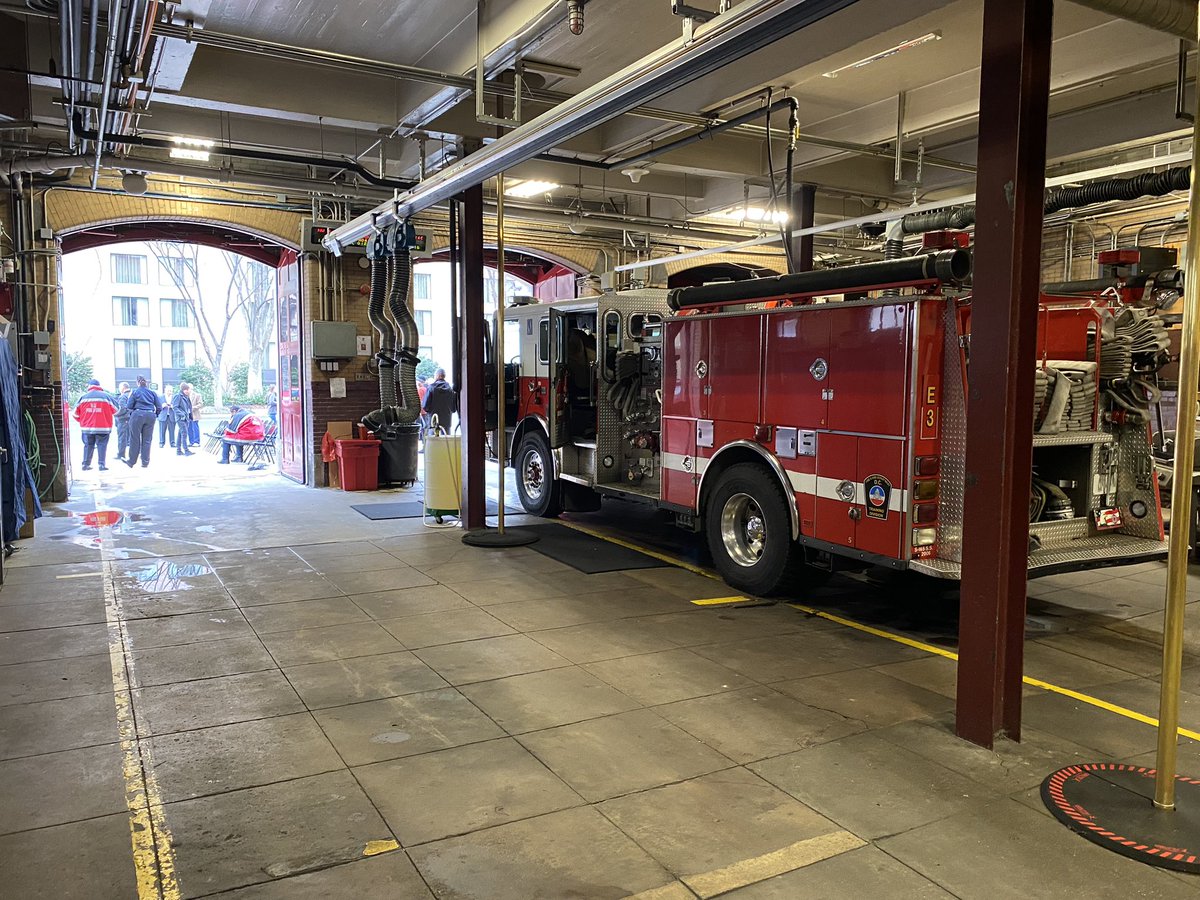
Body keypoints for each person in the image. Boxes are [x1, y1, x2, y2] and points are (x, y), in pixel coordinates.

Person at [73, 379, 118, 471]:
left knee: (88, 445)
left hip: (87, 428)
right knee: (102, 445)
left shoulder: (83, 397)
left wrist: (82, 421)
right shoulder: (107, 397)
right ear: (99, 386)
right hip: (103, 427)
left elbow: (74, 414)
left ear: (89, 386)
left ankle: (85, 464)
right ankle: (101, 465)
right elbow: (117, 410)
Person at [124, 375, 161, 468]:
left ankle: (131, 461)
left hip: (137, 414)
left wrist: (131, 414)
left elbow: (129, 406)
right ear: (146, 383)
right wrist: (155, 414)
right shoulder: (152, 393)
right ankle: (145, 462)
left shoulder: (135, 392)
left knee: (135, 439)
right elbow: (159, 407)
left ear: (137, 382)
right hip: (150, 415)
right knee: (147, 440)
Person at [422, 368, 456, 433]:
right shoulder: (450, 389)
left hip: (433, 420)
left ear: (438, 376)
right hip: (447, 422)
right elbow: (454, 408)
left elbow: (425, 406)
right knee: (446, 441)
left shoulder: (431, 388)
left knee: (433, 441)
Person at [171, 383, 194, 456]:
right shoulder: (178, 396)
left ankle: (178, 450)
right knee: (184, 433)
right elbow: (175, 407)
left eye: (188, 389)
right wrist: (182, 414)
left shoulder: (186, 396)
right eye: (186, 390)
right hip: (180, 418)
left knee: (180, 434)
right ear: (183, 390)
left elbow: (188, 407)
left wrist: (189, 416)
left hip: (186, 418)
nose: (188, 391)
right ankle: (186, 450)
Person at [113, 382, 131, 462]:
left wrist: (115, 414)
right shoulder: (132, 395)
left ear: (123, 388)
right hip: (131, 419)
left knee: (122, 438)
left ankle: (121, 454)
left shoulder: (123, 396)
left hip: (123, 419)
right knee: (133, 437)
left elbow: (121, 408)